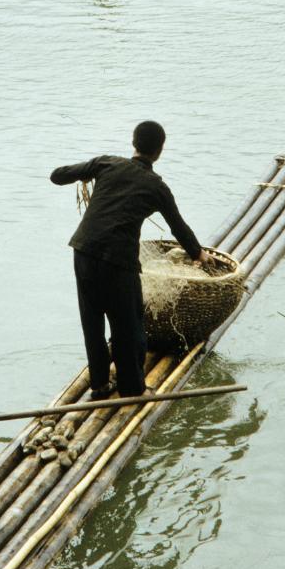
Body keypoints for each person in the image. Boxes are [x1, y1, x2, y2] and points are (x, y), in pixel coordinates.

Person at [50, 121, 208, 399]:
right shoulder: (156, 186)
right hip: (118, 261)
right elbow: (178, 227)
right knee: (129, 325)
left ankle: (99, 384)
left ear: (133, 143)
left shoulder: (106, 164)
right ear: (159, 151)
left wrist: (87, 174)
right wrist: (197, 253)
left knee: (92, 320)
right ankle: (133, 389)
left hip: (84, 250)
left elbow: (57, 175)